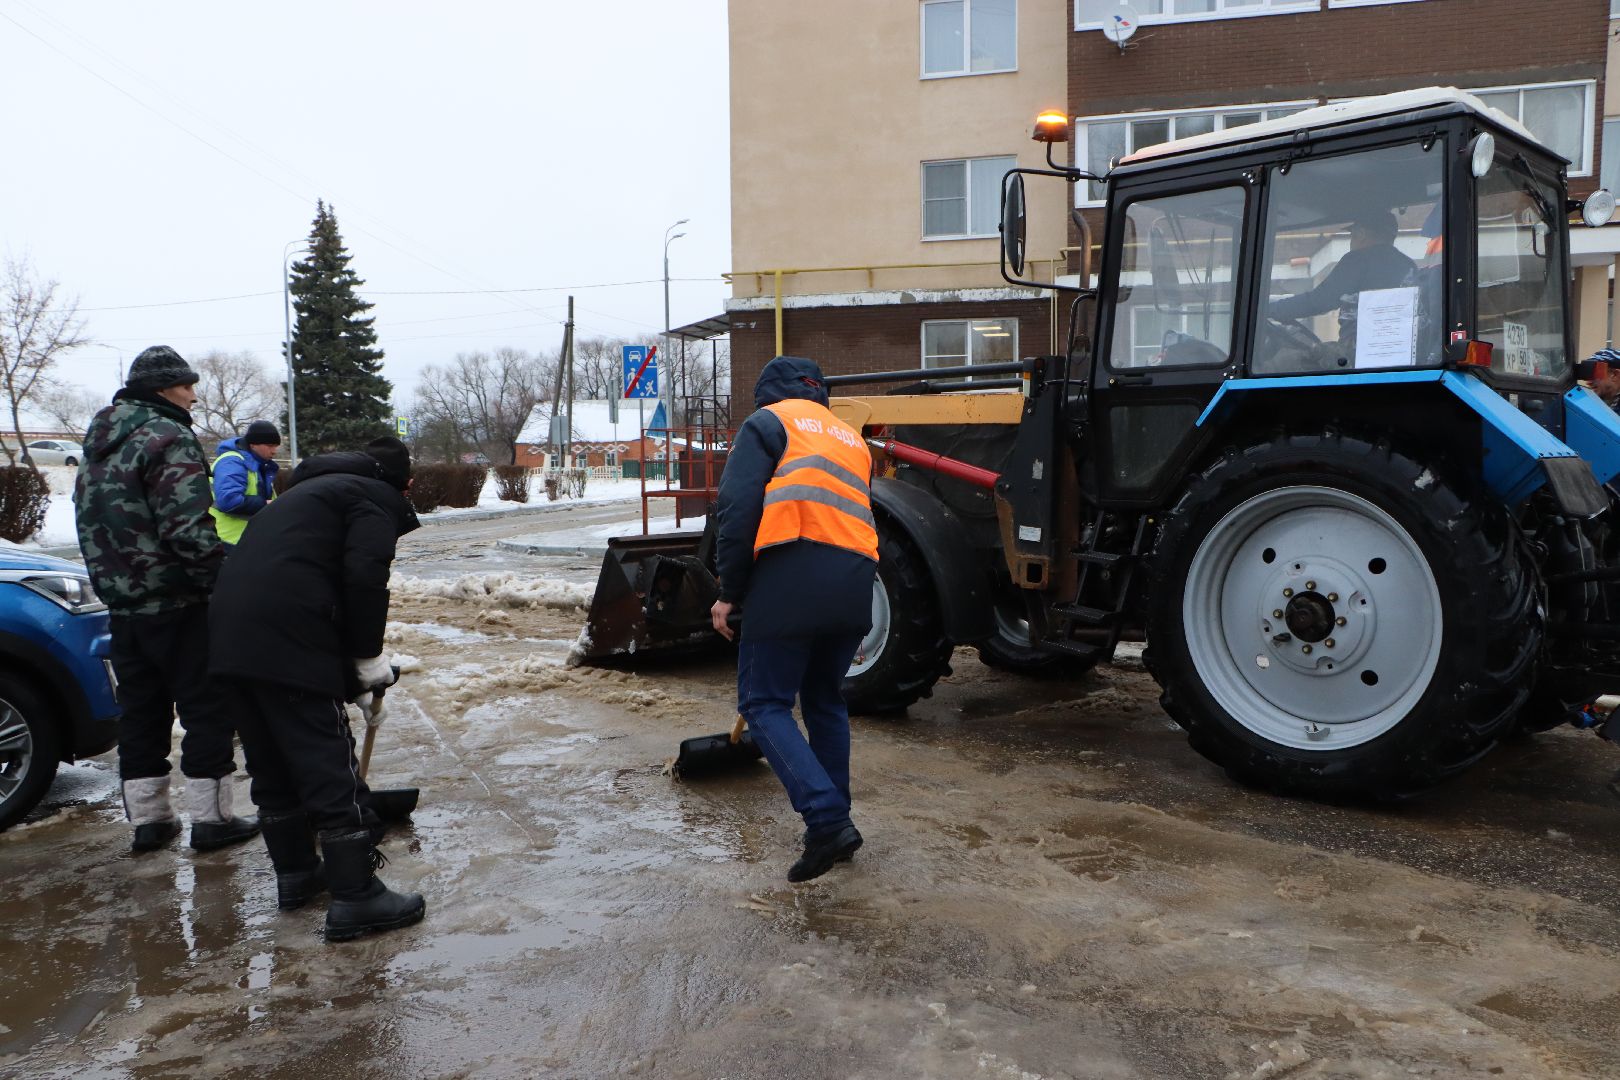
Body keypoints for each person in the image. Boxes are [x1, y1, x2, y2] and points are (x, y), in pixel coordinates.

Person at [207, 436, 425, 941]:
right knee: (327, 762)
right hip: (289, 638)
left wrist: (352, 673)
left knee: (272, 762)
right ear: (402, 483)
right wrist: (368, 661)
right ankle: (356, 896)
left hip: (228, 639)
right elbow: (364, 580)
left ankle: (298, 875)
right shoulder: (368, 497)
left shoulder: (302, 497)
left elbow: (309, 577)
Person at [74, 345, 260, 854]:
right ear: (162, 389)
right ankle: (212, 819)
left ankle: (150, 822)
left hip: (124, 604)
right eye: (187, 386)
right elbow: (186, 527)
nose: (194, 396)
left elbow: (92, 523)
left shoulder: (100, 442)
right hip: (179, 601)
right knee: (206, 708)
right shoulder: (168, 435)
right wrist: (221, 579)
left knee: (141, 712)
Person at [709, 355, 878, 883]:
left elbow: (736, 511)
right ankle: (837, 827)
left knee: (763, 704)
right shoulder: (851, 440)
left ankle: (826, 820)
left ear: (767, 393)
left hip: (789, 571)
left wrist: (729, 591)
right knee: (825, 701)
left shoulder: (767, 424)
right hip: (855, 581)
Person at [1269, 209, 1416, 346]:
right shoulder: (1408, 265)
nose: (1351, 242)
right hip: (1401, 347)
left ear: (1361, 234)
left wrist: (1273, 309)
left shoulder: (1358, 260)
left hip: (1360, 351)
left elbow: (1321, 300)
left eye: (1352, 236)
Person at [210, 420, 282, 548]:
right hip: (228, 541)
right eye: (270, 445)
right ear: (253, 444)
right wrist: (267, 504)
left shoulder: (260, 466)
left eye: (276, 446)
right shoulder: (232, 462)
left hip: (246, 540)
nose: (274, 451)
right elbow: (229, 500)